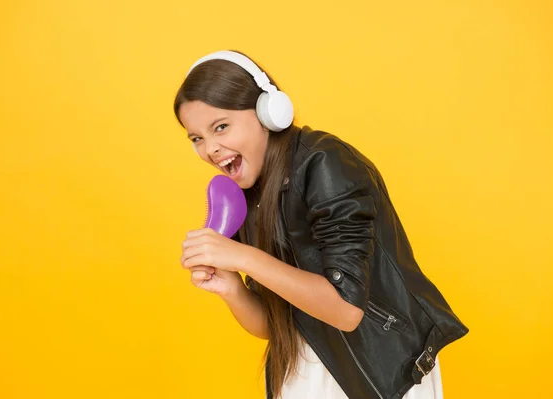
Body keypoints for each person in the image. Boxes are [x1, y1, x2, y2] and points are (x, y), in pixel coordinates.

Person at [175, 50, 468, 399]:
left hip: (379, 376)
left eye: (221, 127)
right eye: (196, 139)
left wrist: (242, 257)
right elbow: (273, 325)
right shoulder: (247, 191)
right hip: (303, 375)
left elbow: (345, 311)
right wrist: (231, 288)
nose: (210, 149)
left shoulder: (325, 162)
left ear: (268, 112)